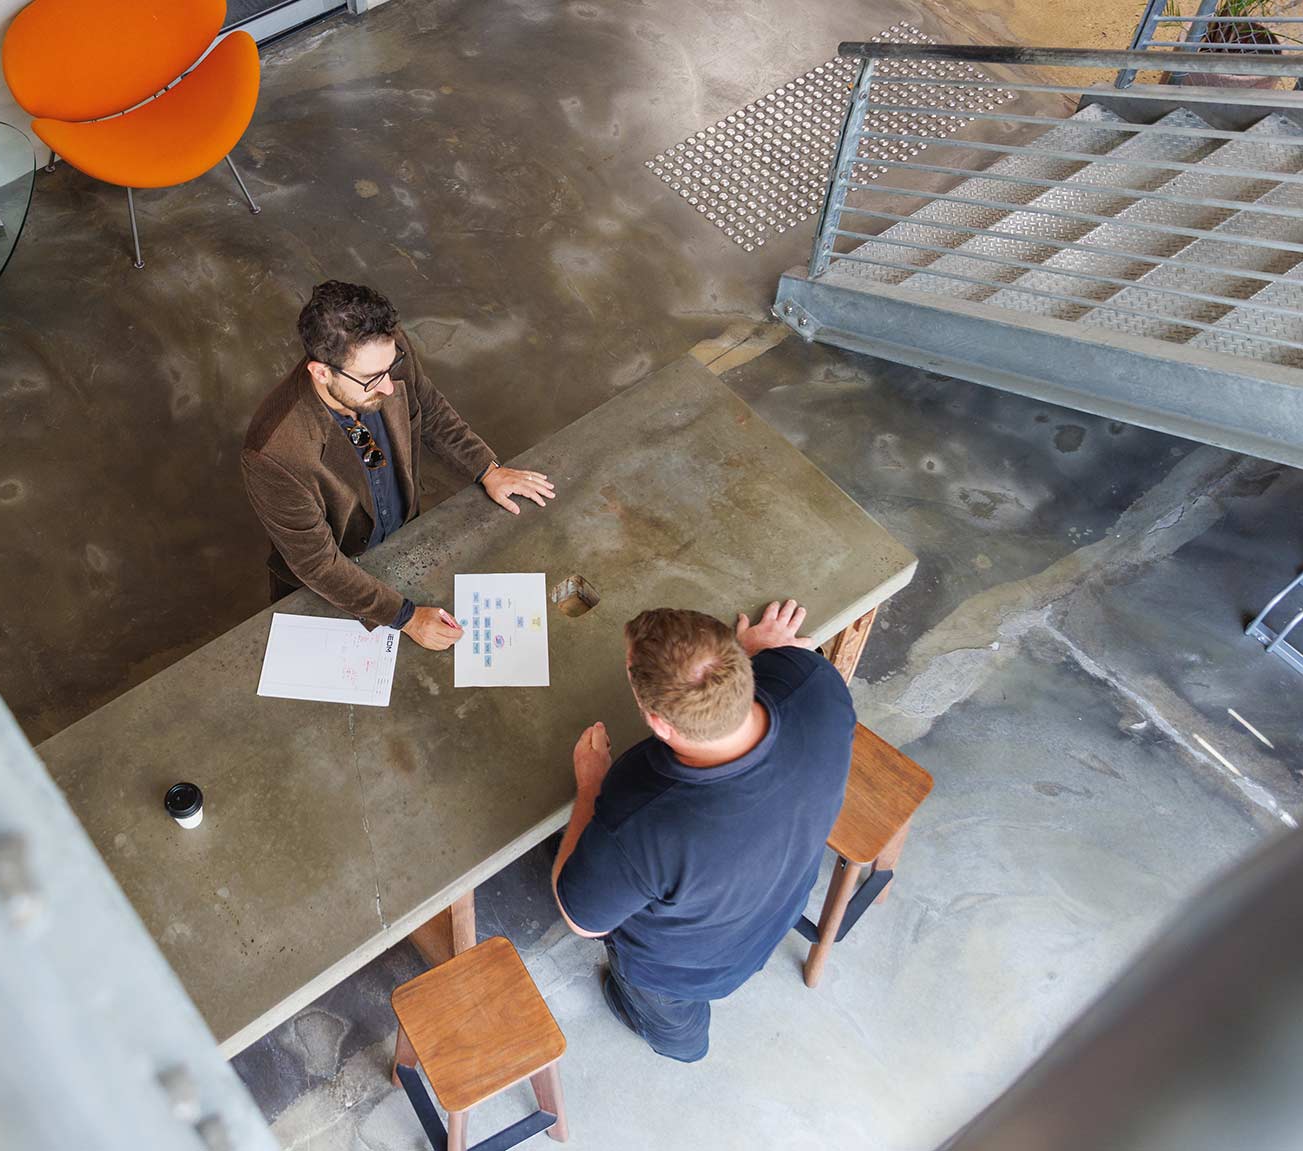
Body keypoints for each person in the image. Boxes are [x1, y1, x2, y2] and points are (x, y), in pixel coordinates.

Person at [550, 600, 855, 1062]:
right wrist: (759, 652)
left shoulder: (641, 816)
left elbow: (581, 921)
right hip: (781, 906)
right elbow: (785, 665)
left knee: (671, 1023)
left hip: (680, 974)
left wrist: (591, 784)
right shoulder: (812, 682)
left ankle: (677, 1044)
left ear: (658, 724)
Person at [242, 281, 556, 650]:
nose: (390, 387)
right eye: (373, 380)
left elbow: (431, 409)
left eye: (391, 369)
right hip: (336, 584)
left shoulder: (384, 354)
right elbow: (318, 565)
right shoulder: (274, 454)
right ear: (321, 373)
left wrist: (488, 470)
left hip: (402, 540)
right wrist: (405, 617)